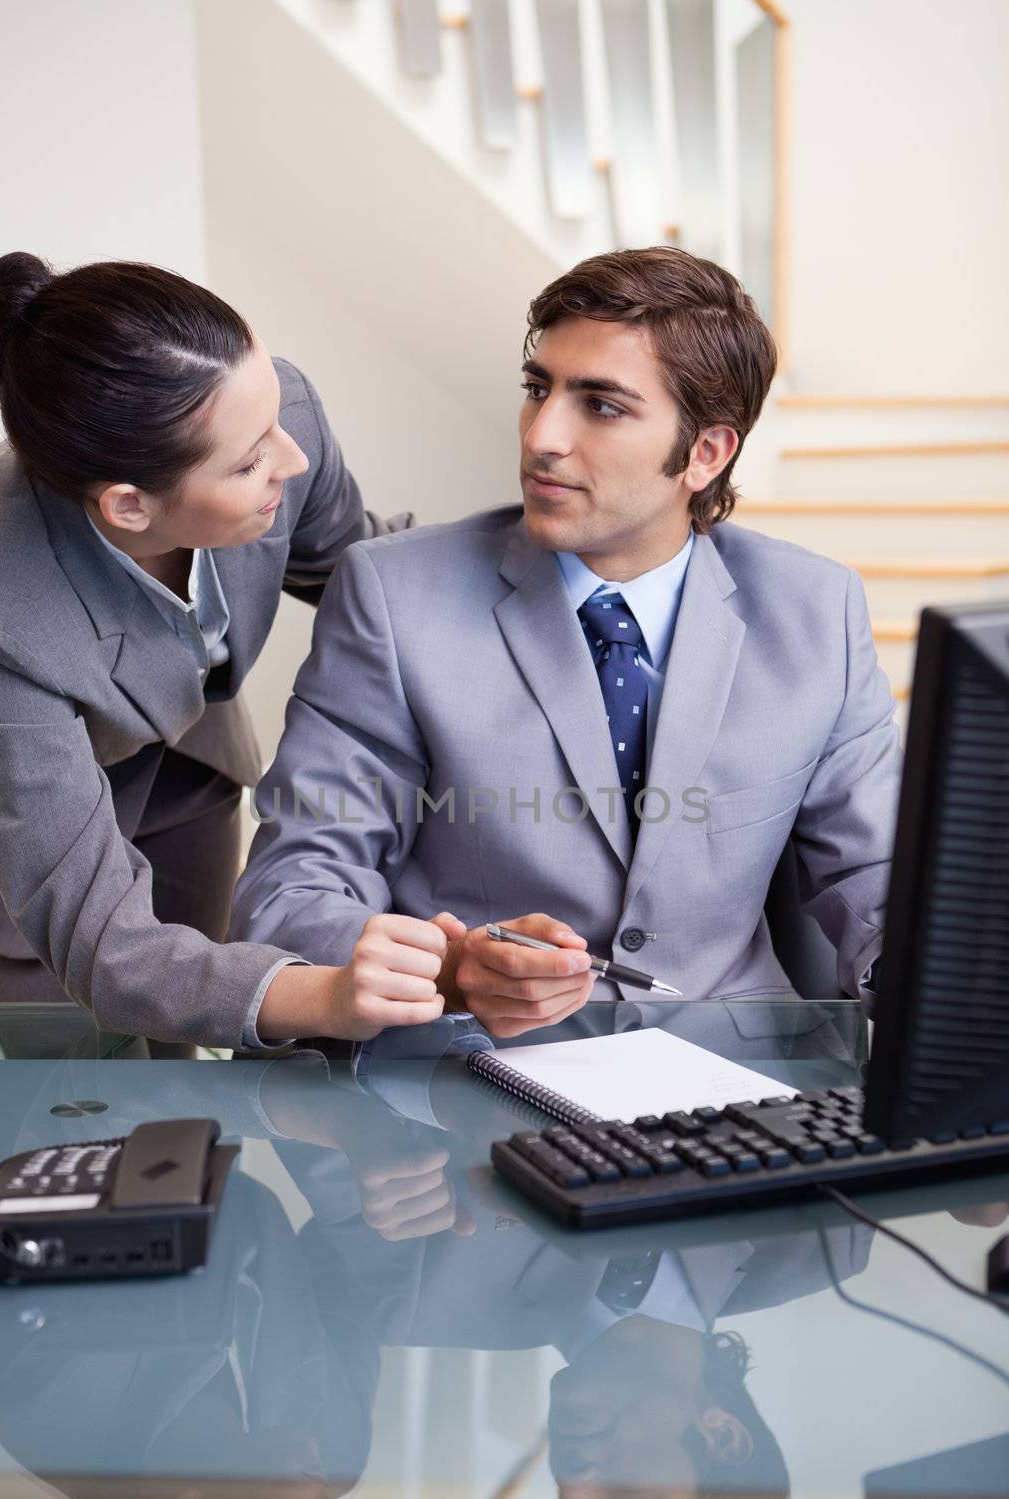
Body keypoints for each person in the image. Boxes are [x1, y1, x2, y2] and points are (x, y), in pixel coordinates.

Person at [231, 246, 901, 1037]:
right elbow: (294, 887)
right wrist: (446, 972)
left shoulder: (814, 609)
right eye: (537, 389)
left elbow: (878, 876)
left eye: (601, 405)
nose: (542, 435)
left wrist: (941, 995)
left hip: (742, 1076)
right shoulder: (394, 595)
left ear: (705, 453)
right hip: (469, 1074)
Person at [0, 252, 452, 1047]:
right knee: (79, 1097)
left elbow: (367, 574)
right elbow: (106, 948)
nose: (294, 460)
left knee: (183, 1055)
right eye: (250, 463)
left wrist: (546, 568)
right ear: (130, 506)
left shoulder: (270, 427)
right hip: (4, 822)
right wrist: (326, 997)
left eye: (276, 422)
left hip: (187, 763)